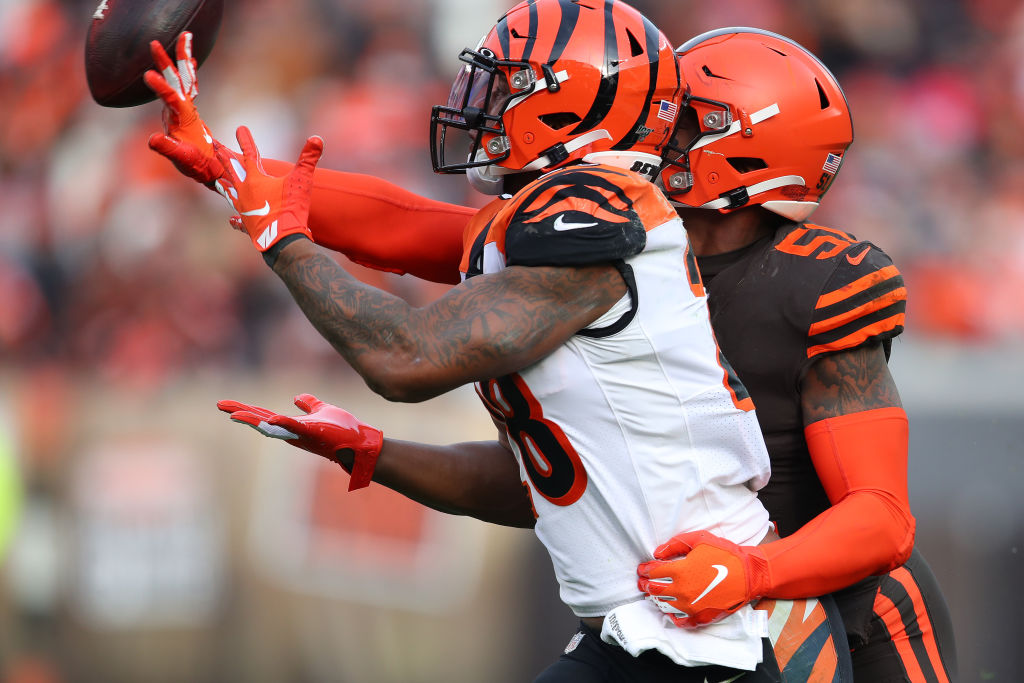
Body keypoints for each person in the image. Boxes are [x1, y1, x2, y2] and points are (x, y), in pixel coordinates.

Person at [146, 18, 954, 683]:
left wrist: (753, 572)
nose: (649, 128)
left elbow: (881, 518)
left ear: (731, 144)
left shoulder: (795, 281)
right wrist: (227, 166)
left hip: (817, 607)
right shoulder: (605, 238)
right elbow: (405, 229)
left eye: (675, 117)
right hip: (661, 606)